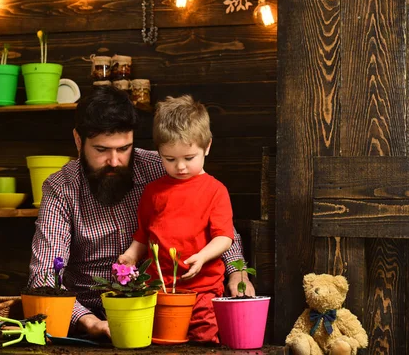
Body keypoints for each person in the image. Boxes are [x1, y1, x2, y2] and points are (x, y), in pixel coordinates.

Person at [28, 86, 255, 339]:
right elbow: (45, 277)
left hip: (159, 308)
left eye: (124, 149)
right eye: (102, 150)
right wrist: (89, 322)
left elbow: (222, 230)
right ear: (78, 141)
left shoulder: (166, 166)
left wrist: (238, 273)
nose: (114, 161)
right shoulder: (61, 188)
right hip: (88, 318)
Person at [118, 94, 233, 342]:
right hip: (159, 290)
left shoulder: (215, 190)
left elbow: (224, 237)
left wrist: (202, 257)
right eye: (169, 159)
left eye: (189, 158)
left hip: (203, 289)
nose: (180, 167)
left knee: (204, 339)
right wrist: (129, 256)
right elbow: (143, 236)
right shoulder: (153, 191)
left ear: (207, 146)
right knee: (162, 342)